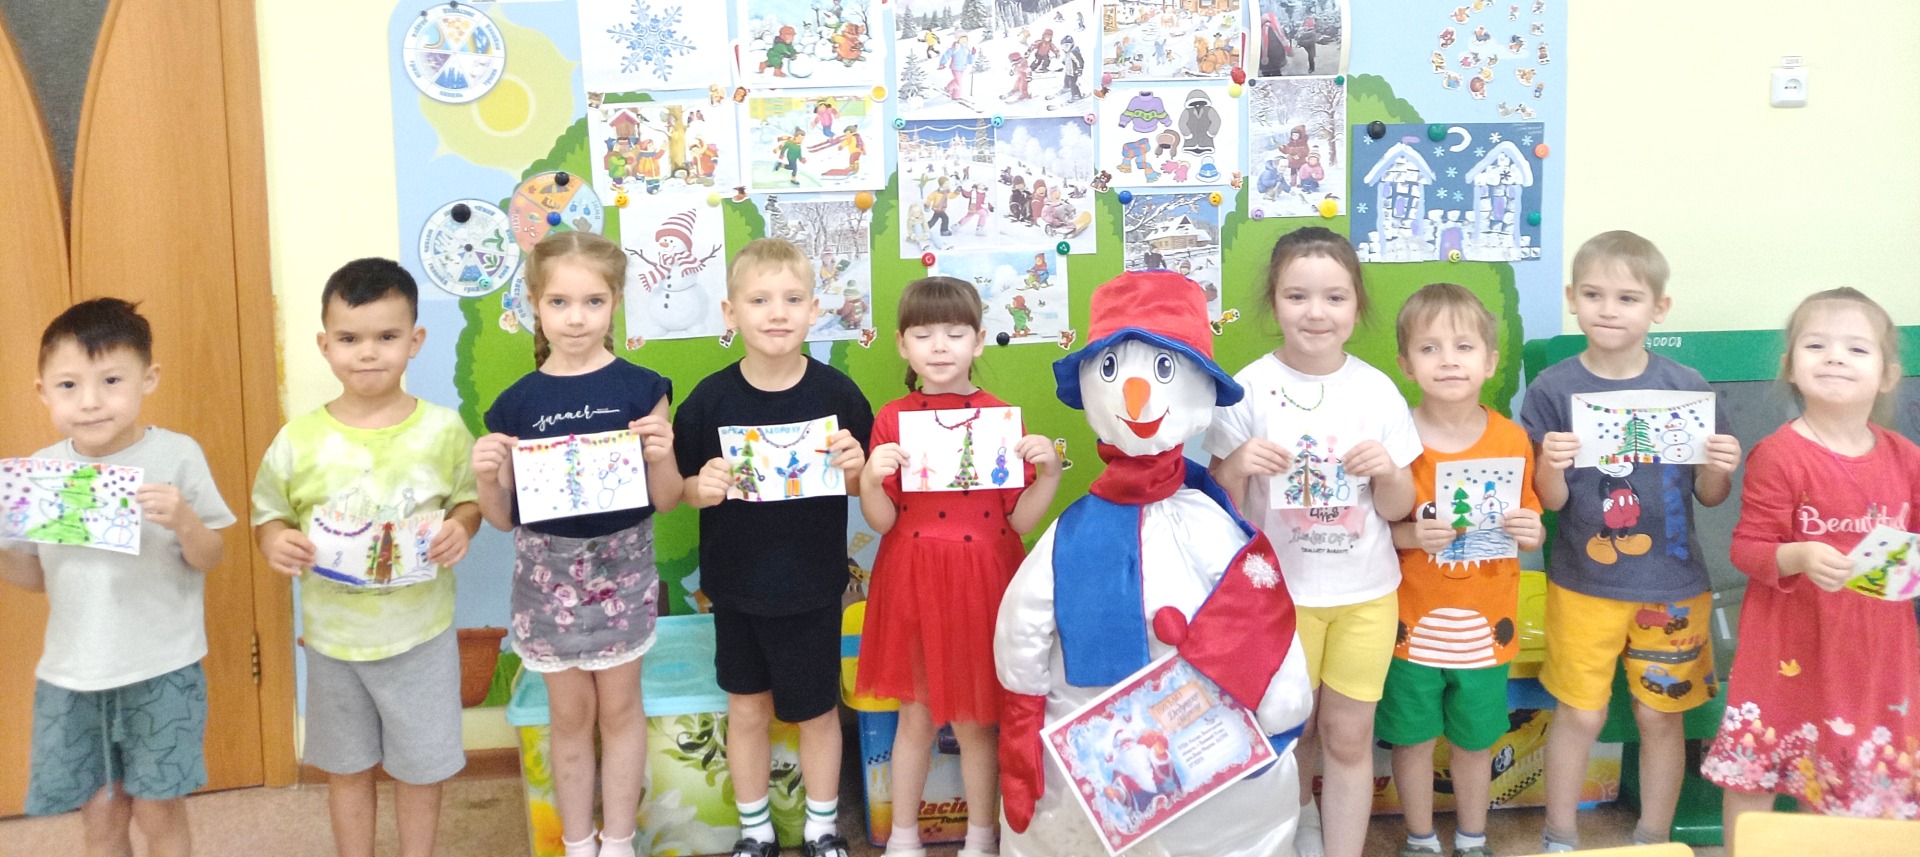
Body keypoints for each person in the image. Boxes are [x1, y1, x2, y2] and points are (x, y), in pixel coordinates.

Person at [251, 260, 481, 857]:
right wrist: (275, 540)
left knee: (421, 769)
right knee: (347, 768)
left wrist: (461, 526)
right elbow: (268, 514)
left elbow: (469, 500)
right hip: (333, 642)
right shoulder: (297, 439)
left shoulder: (443, 429)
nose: (369, 353)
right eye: (350, 339)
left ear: (415, 341)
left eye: (387, 336)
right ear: (325, 345)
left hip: (420, 636)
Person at [1520, 230, 1740, 852]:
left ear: (1658, 308)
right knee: (1580, 713)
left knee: (1660, 716)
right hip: (1583, 584)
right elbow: (1551, 504)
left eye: (1627, 298)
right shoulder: (1553, 389)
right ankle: (1559, 834)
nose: (1608, 310)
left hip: (1673, 585)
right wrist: (1550, 464)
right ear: (1572, 299)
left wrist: (1720, 464)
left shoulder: (1686, 385)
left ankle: (1653, 838)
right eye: (1593, 295)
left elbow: (1711, 495)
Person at [1206, 226, 1420, 857]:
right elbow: (1218, 509)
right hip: (1279, 600)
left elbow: (1397, 508)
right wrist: (1237, 464)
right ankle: (1298, 829)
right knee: (1290, 732)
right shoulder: (1247, 388)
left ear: (1356, 306)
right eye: (1297, 296)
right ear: (1274, 303)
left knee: (1349, 738)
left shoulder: (1377, 390)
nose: (1316, 312)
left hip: (1366, 597)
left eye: (1334, 297)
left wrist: (1389, 472)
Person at [0, 298, 235, 857]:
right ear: (42, 392)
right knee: (101, 815)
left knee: (158, 811)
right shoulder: (42, 473)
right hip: (72, 672)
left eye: (111, 380)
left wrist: (184, 520)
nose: (90, 401)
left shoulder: (176, 454)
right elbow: (35, 578)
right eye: (68, 385)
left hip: (162, 667)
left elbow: (210, 556)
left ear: (148, 379)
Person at [473, 233, 683, 857]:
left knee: (620, 711)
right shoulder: (515, 405)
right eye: (559, 302)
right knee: (568, 718)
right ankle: (577, 842)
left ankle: (617, 842)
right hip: (546, 583)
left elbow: (668, 498)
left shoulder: (643, 389)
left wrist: (663, 454)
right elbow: (501, 519)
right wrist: (486, 477)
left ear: (615, 302)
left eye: (593, 301)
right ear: (535, 305)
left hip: (624, 573)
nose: (576, 318)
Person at [675, 238, 874, 857]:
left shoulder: (838, 396)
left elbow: (862, 486)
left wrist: (857, 468)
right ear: (730, 313)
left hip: (813, 588)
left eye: (792, 299)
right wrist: (700, 486)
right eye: (759, 300)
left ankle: (821, 828)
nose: (777, 312)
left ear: (814, 310)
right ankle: (755, 830)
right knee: (746, 711)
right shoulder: (708, 401)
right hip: (736, 588)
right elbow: (680, 489)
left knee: (817, 713)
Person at [1701, 288, 1920, 848]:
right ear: (1790, 366)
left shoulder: (1905, 458)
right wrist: (1797, 555)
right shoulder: (1780, 454)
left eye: (1857, 349)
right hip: (1788, 650)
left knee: (1852, 772)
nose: (1835, 357)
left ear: (1888, 376)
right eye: (1817, 345)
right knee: (1757, 767)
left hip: (1875, 653)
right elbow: (1747, 549)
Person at [856, 277, 1062, 857]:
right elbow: (883, 521)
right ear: (902, 345)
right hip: (913, 578)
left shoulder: (1000, 418)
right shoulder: (893, 419)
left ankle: (980, 838)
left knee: (977, 722)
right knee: (915, 717)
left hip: (984, 580)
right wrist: (870, 479)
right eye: (924, 334)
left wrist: (1048, 474)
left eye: (954, 333)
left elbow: (1019, 521)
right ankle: (902, 838)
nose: (940, 346)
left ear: (978, 340)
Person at [1378, 284, 1545, 857]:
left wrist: (1531, 530)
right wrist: (1411, 535)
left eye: (1464, 347)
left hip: (1486, 631)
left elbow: (1531, 523)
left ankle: (1473, 838)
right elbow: (1375, 531)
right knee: (1412, 740)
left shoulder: (1512, 439)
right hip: (1411, 630)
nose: (1448, 360)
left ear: (1490, 361)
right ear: (1406, 364)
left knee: (1476, 743)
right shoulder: (1397, 440)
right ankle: (1420, 839)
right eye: (1430, 348)